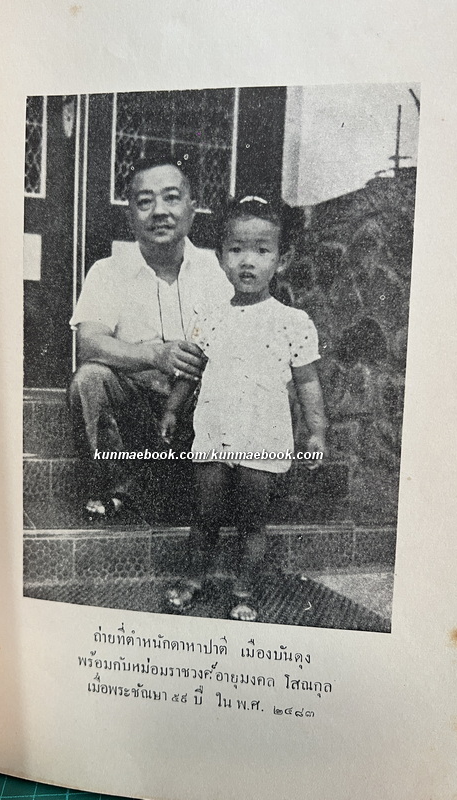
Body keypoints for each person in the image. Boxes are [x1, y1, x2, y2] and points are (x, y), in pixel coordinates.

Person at [161, 194, 328, 622]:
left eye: (262, 250)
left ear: (282, 259)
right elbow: (191, 371)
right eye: (236, 250)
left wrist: (317, 431)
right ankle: (195, 578)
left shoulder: (293, 321)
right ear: (220, 258)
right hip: (215, 430)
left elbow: (307, 382)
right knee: (205, 514)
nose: (248, 261)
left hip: (263, 434)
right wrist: (173, 410)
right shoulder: (210, 317)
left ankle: (245, 589)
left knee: (252, 521)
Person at [69, 152, 232, 520]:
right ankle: (116, 491)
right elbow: (89, 343)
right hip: (135, 411)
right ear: (130, 215)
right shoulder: (108, 271)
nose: (159, 211)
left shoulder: (216, 270)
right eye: (145, 201)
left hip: (195, 408)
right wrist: (154, 356)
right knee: (90, 379)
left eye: (172, 197)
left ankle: (220, 493)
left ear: (192, 207)